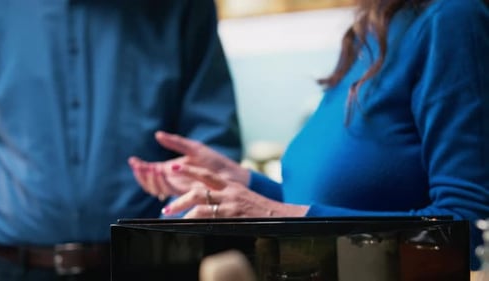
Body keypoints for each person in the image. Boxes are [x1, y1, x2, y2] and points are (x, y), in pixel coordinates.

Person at [129, 0, 489, 270]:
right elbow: (317, 203)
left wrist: (272, 213)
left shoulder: (452, 18)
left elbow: (466, 231)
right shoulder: (369, 32)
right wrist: (240, 182)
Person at [0, 0, 242, 280]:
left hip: (149, 264)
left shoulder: (182, 7)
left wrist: (177, 225)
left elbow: (212, 146)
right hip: (8, 263)